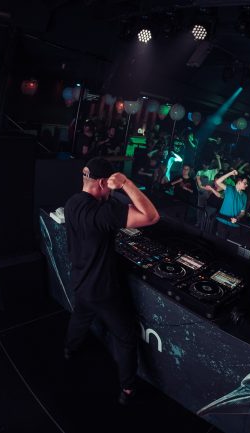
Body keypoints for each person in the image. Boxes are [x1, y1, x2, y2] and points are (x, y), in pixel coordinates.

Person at [63, 157, 160, 405]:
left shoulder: (72, 202)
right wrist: (126, 183)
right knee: (125, 337)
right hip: (103, 290)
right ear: (103, 183)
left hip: (80, 280)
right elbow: (151, 216)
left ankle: (69, 349)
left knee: (80, 316)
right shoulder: (105, 212)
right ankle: (127, 389)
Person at [215, 170, 248, 239]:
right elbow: (218, 182)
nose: (246, 185)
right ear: (239, 182)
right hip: (223, 221)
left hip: (234, 224)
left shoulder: (244, 196)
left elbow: (242, 212)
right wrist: (231, 173)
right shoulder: (229, 188)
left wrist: (237, 218)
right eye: (245, 183)